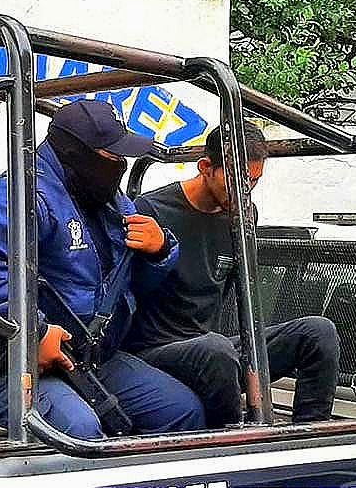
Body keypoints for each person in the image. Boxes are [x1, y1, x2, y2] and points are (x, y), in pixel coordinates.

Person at [0, 99, 205, 439]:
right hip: (15, 363)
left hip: (90, 358)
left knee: (183, 412)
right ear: (74, 153)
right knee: (78, 432)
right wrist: (32, 333)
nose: (120, 166)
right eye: (111, 157)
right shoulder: (21, 193)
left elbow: (128, 284)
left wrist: (160, 251)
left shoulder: (108, 198)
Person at [125, 122, 340, 428]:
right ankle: (230, 445)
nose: (244, 192)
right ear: (205, 168)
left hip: (211, 347)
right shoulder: (152, 209)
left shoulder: (244, 214)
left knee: (318, 332)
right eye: (236, 181)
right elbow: (126, 291)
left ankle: (309, 438)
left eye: (253, 182)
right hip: (155, 352)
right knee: (216, 351)